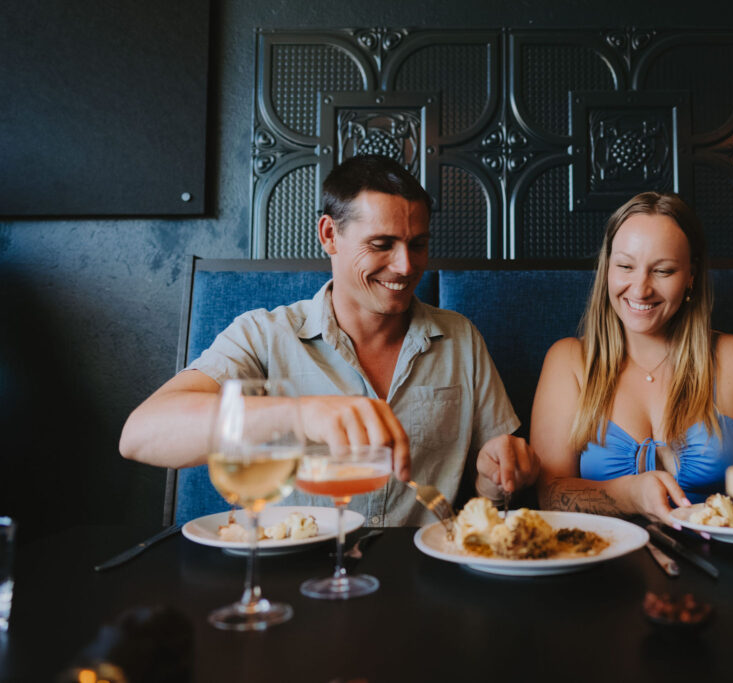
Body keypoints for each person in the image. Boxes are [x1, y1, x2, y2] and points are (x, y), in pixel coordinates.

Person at [120, 155, 539, 525]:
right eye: (381, 244)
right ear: (328, 235)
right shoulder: (264, 334)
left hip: (418, 576)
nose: (406, 266)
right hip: (291, 575)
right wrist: (299, 415)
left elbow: (493, 493)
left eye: (419, 245)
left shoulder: (461, 339)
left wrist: (493, 480)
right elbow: (140, 434)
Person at [529, 192, 733, 529]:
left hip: (727, 563)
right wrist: (630, 495)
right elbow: (549, 496)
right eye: (625, 266)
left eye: (663, 271)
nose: (640, 288)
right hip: (602, 566)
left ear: (690, 276)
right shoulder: (569, 361)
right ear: (607, 270)